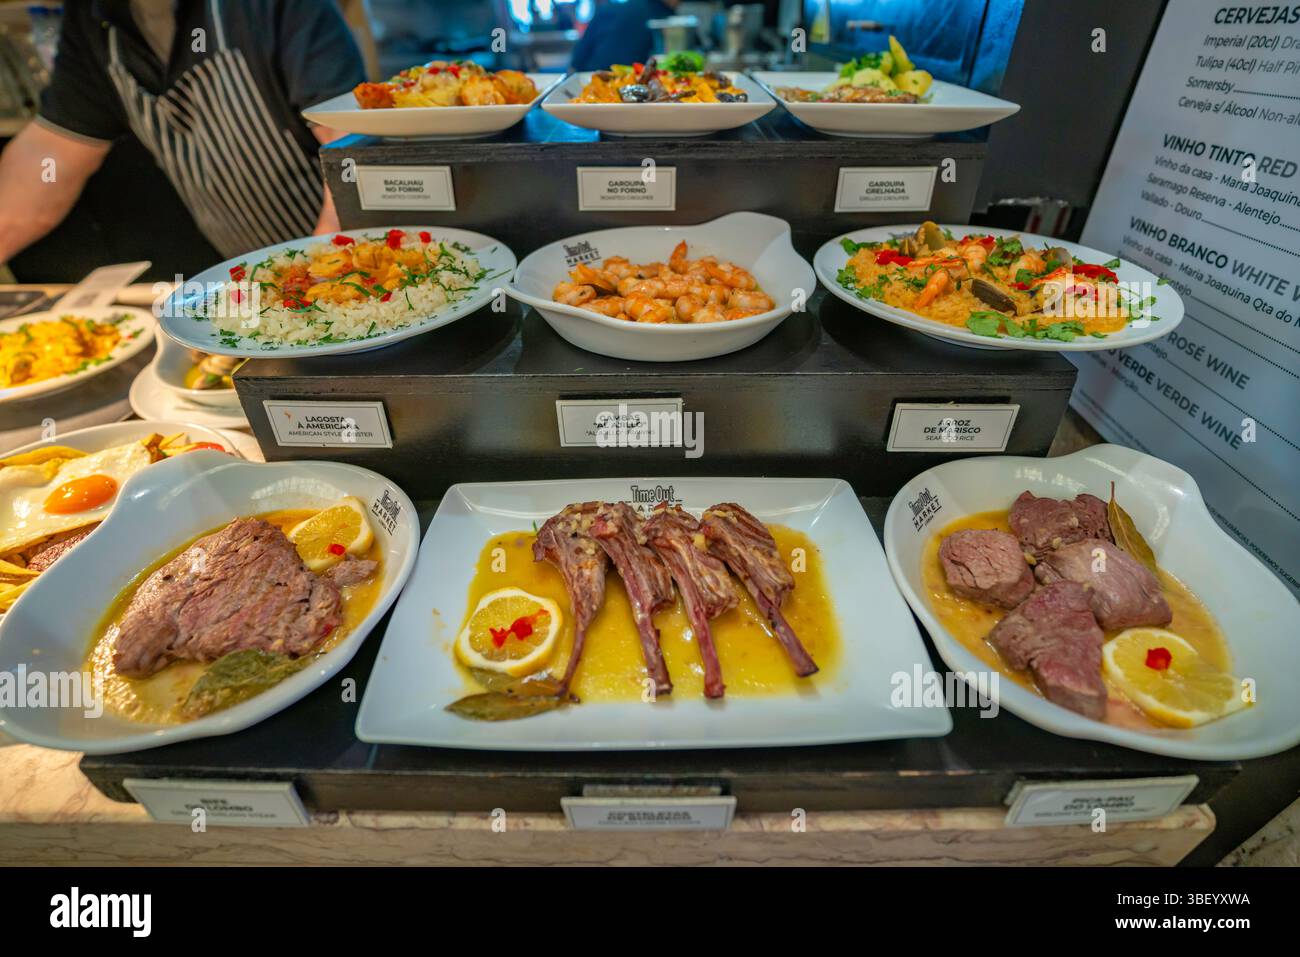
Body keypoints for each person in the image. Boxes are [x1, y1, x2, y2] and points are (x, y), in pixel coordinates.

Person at [0, 0, 366, 267]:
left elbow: (347, 143)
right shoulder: (95, 21)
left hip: (351, 263)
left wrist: (320, 266)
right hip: (252, 282)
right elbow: (51, 153)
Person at [570, 0, 679, 72]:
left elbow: (576, 61)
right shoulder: (666, 16)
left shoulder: (608, 9)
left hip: (588, 84)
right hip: (632, 91)